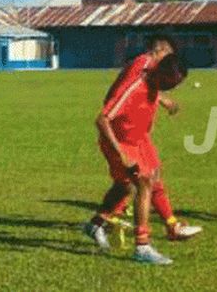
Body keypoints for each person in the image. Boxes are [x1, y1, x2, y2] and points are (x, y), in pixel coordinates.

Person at [84, 54, 196, 265]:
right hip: (119, 142)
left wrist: (162, 99)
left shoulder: (152, 73)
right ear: (160, 71)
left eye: (175, 85)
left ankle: (96, 224)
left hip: (138, 139)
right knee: (144, 183)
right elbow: (102, 120)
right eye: (168, 83)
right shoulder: (134, 88)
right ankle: (142, 246)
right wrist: (121, 154)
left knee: (126, 187)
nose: (169, 88)